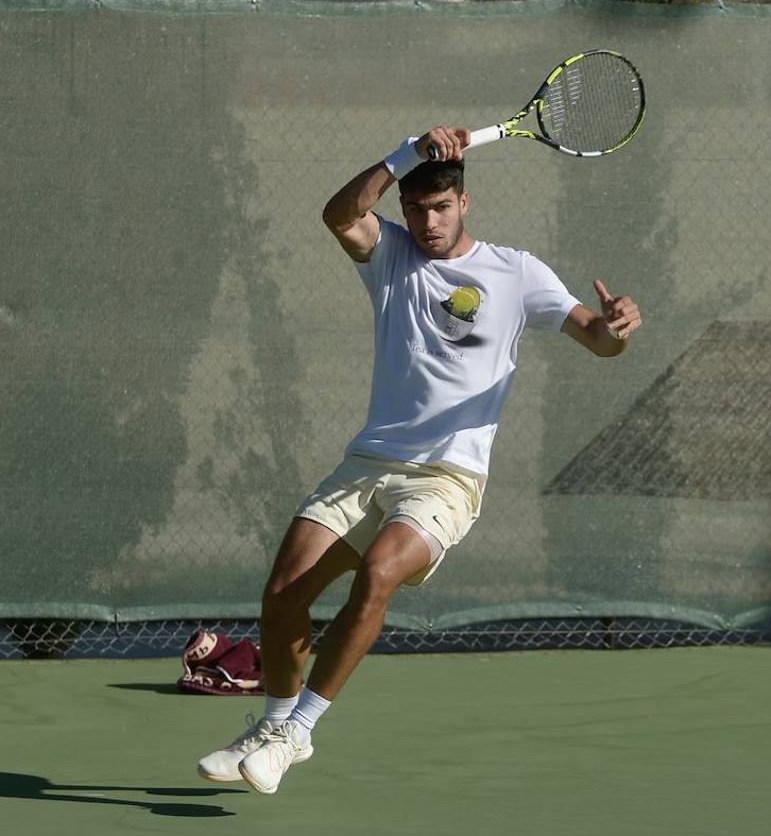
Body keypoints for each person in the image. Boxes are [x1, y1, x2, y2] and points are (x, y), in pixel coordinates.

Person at [196, 126, 641, 795]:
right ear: (404, 209)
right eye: (416, 209)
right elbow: (339, 214)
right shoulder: (392, 256)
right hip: (369, 462)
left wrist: (615, 329)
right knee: (284, 593)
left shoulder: (517, 273)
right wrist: (405, 151)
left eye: (441, 208)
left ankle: (299, 731)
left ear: (465, 202)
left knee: (377, 575)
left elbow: (597, 340)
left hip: (448, 479)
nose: (428, 222)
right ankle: (274, 724)